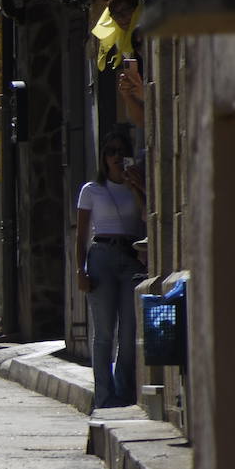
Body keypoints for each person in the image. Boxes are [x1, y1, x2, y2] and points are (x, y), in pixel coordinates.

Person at [74, 133, 145, 410]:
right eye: (110, 152)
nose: (116, 156)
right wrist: (80, 270)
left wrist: (137, 187)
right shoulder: (91, 189)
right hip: (102, 257)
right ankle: (104, 398)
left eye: (121, 151)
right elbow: (81, 236)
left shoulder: (134, 186)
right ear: (103, 158)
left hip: (130, 257)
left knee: (129, 331)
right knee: (104, 332)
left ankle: (124, 393)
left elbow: (146, 215)